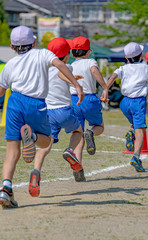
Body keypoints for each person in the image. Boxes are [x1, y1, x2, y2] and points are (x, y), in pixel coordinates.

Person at [0, 26, 84, 208]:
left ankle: (6, 189)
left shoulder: (10, 65)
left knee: (12, 152)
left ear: (12, 47)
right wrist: (76, 84)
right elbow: (59, 64)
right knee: (45, 142)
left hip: (15, 103)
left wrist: (3, 85)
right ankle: (33, 136)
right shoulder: (42, 54)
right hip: (36, 104)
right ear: (34, 43)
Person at [34, 37, 85, 182]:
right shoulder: (68, 67)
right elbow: (60, 73)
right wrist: (74, 82)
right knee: (78, 131)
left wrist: (71, 78)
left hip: (47, 113)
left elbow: (56, 76)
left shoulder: (43, 69)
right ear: (67, 55)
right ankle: (70, 150)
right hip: (64, 111)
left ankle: (36, 171)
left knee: (46, 145)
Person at [107, 42, 148, 172]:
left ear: (127, 58)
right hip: (137, 102)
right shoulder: (146, 68)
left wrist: (105, 90)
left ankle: (131, 132)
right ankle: (136, 156)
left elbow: (113, 77)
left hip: (124, 103)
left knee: (135, 124)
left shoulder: (123, 68)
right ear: (141, 56)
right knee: (141, 130)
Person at [69, 36, 109, 178]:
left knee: (77, 135)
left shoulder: (70, 65)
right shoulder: (90, 61)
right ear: (87, 52)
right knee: (99, 126)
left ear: (73, 53)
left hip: (74, 100)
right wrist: (104, 87)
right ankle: (91, 133)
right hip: (89, 98)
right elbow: (94, 71)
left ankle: (78, 168)